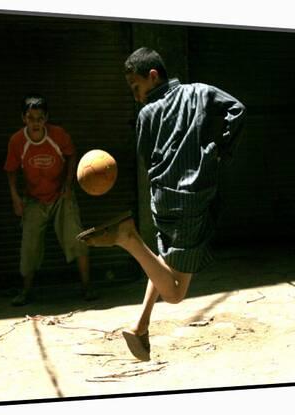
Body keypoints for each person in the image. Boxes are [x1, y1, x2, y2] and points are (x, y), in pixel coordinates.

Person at [78, 47, 246, 360]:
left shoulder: (146, 115)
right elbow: (237, 110)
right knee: (176, 293)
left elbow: (145, 156)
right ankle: (128, 239)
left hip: (163, 200)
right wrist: (220, 150)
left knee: (164, 264)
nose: (136, 96)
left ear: (152, 76)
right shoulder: (200, 93)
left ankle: (140, 327)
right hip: (193, 199)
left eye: (136, 88)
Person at [4, 94, 96, 306]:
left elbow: (72, 155)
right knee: (29, 247)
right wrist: (15, 197)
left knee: (77, 237)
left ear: (46, 119)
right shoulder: (17, 141)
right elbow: (10, 170)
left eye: (40, 118)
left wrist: (68, 183)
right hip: (34, 199)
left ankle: (87, 287)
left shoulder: (58, 135)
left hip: (61, 197)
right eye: (30, 118)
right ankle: (26, 292)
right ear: (23, 119)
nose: (35, 123)